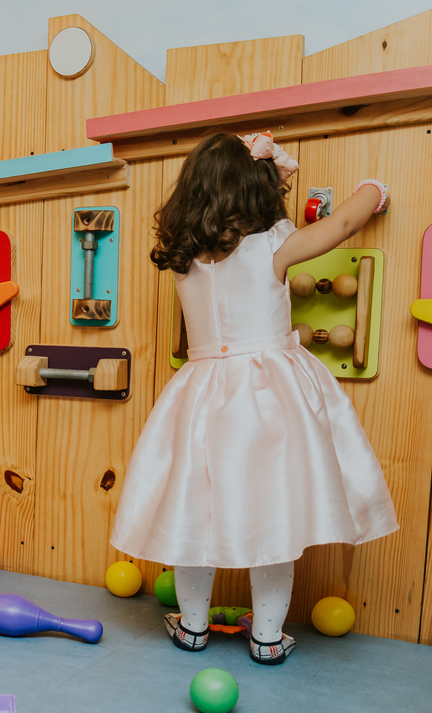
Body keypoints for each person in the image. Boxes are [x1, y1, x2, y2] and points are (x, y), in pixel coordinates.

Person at [110, 131, 397, 665]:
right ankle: (266, 637)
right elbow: (341, 225)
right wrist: (373, 190)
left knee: (194, 512)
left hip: (201, 392)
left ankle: (192, 627)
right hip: (268, 394)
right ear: (257, 191)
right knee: (274, 514)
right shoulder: (274, 244)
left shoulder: (185, 256)